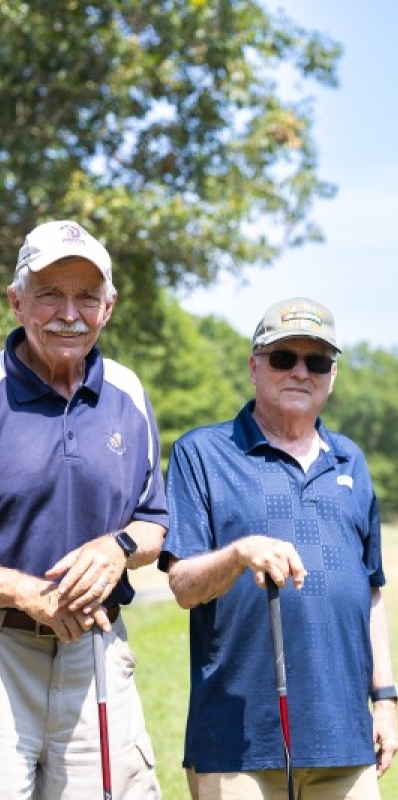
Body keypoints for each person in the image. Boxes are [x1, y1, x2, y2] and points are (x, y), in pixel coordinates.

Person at [161, 296, 398, 800]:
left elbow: (371, 593)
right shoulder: (202, 453)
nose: (300, 372)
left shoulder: (350, 461)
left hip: (344, 740)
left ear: (332, 375)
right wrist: (237, 554)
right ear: (254, 366)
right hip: (237, 745)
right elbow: (182, 586)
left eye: (317, 361)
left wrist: (385, 700)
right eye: (282, 358)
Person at [0, 220, 167, 797]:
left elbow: (155, 524)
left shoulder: (128, 393)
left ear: (109, 306)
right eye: (49, 293)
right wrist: (26, 593)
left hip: (96, 654)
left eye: (86, 296)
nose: (68, 312)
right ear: (16, 300)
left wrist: (117, 547)